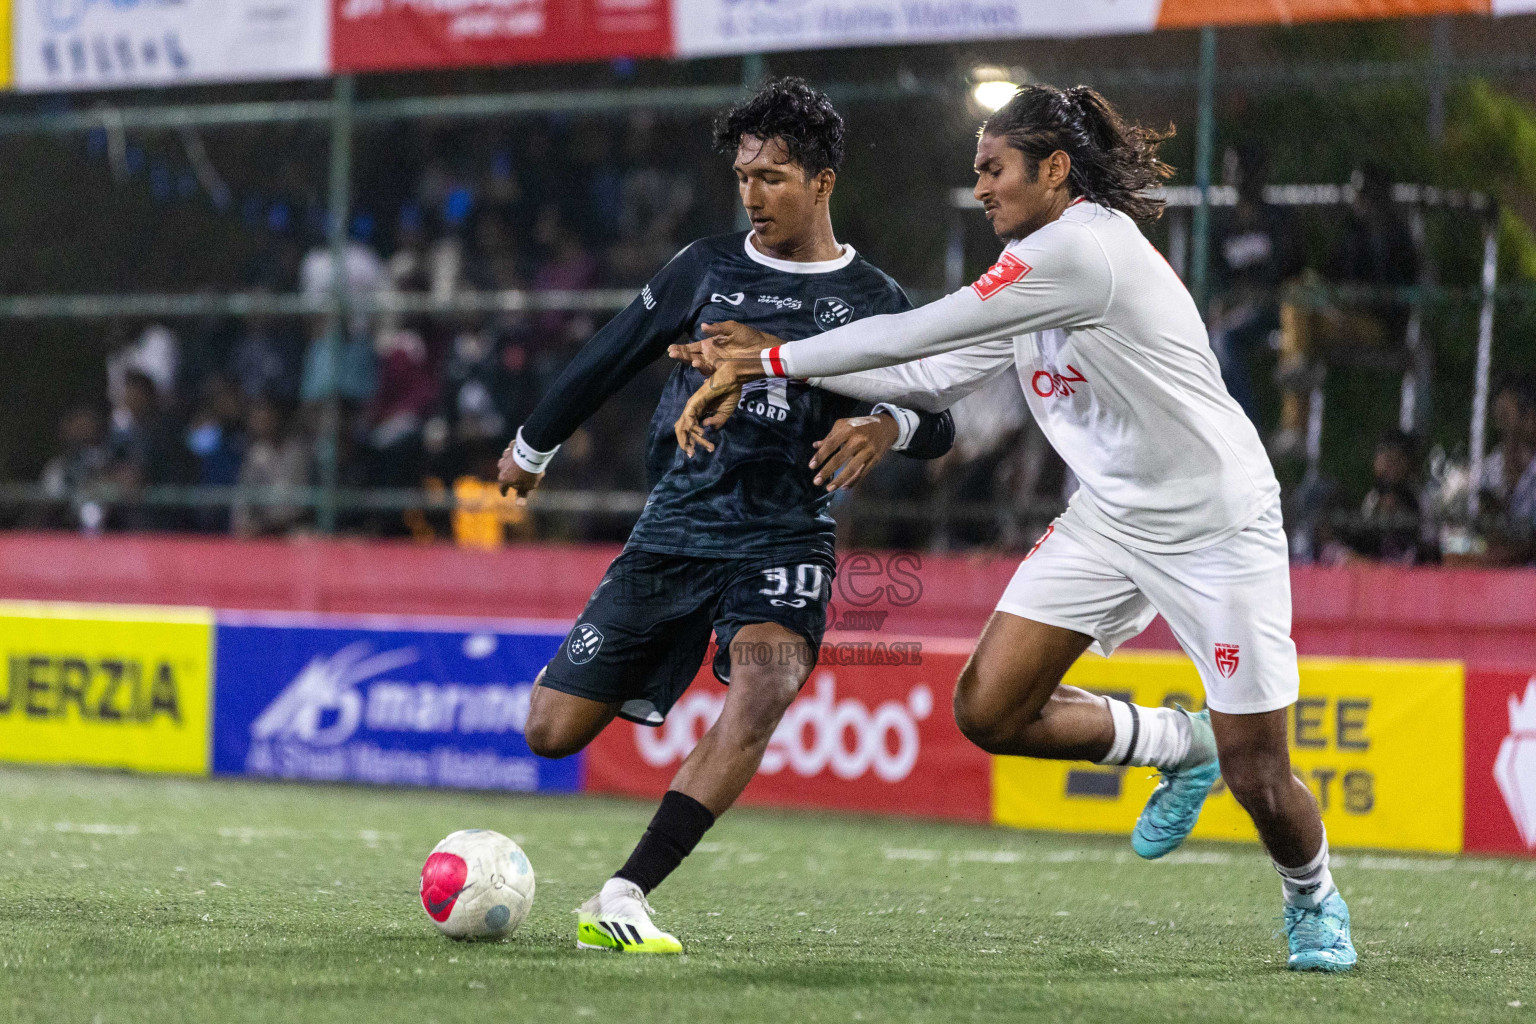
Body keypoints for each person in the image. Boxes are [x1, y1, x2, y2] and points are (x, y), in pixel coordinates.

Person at [677, 83, 1356, 972]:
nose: (983, 188)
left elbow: (926, 327)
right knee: (989, 709)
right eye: (976, 172)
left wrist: (770, 355)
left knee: (1261, 776)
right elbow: (937, 366)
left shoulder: (1084, 252)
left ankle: (1312, 898)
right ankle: (1171, 744)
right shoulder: (1037, 261)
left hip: (1215, 527)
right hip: (1110, 519)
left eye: (995, 171)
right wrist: (828, 393)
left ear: (1056, 170)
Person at [495, 78, 955, 954]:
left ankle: (624, 895)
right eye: (744, 175)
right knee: (550, 731)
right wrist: (533, 446)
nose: (752, 194)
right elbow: (610, 355)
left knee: (765, 687)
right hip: (675, 528)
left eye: (774, 177)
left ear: (822, 183)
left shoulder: (873, 298)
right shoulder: (704, 268)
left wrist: (887, 422)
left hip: (785, 536)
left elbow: (940, 419)